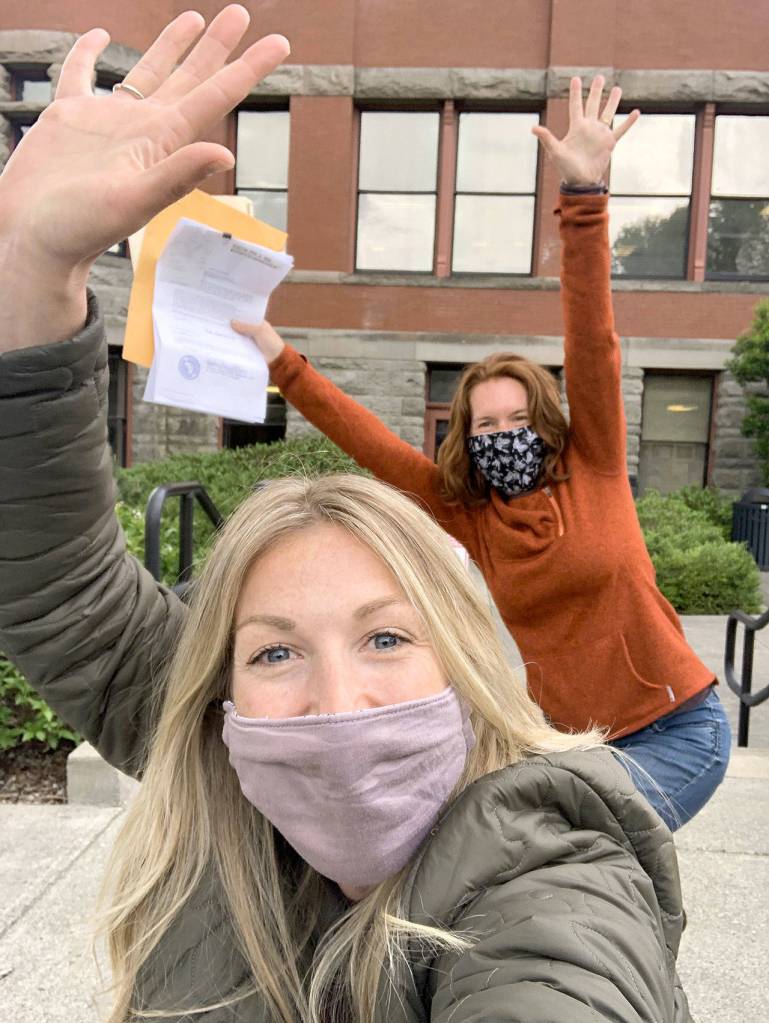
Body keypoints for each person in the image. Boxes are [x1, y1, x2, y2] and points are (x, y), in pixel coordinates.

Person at [0, 9, 696, 1022]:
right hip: (533, 721)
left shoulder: (588, 475)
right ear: (221, 693)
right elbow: (66, 582)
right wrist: (29, 269)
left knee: (600, 853)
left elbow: (560, 950)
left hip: (660, 724)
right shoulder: (442, 511)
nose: (336, 701)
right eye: (273, 654)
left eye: (384, 635)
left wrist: (584, 201)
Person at [234, 77, 731, 831]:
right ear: (464, 435)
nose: (503, 433)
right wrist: (278, 357)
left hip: (676, 729)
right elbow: (365, 441)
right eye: (485, 423)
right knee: (537, 858)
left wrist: (584, 192)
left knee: (566, 855)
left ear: (547, 423)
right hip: (567, 744)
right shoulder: (464, 512)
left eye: (518, 417)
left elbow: (591, 337)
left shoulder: (591, 468)